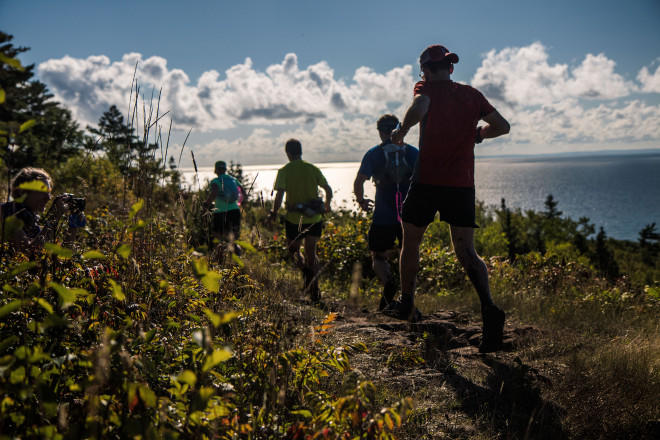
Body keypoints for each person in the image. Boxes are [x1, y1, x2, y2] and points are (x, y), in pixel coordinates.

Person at [388, 44, 511, 352]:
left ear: (425, 70)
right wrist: (478, 134)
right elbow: (502, 126)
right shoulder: (473, 95)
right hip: (462, 184)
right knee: (467, 250)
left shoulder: (425, 87)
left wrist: (401, 130)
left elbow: (419, 108)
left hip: (428, 181)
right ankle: (489, 309)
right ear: (451, 67)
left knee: (411, 241)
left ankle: (406, 302)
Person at [354, 114, 418, 311]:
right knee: (409, 254)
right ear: (400, 129)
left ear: (380, 131)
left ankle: (387, 282)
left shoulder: (373, 153)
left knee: (379, 256)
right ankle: (408, 301)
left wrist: (362, 201)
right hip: (409, 213)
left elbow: (359, 181)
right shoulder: (413, 153)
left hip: (383, 214)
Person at [269, 139, 332, 302]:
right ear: (300, 151)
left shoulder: (285, 170)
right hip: (314, 218)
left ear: (288, 153)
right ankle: (315, 289)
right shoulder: (312, 168)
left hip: (293, 219)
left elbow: (279, 194)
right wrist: (327, 206)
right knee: (312, 253)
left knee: (294, 251)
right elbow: (328, 189)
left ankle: (305, 271)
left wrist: (274, 213)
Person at [1, 167, 85, 255]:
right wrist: (54, 217)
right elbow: (28, 253)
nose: (48, 198)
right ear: (23, 192)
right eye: (42, 192)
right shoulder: (5, 214)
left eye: (48, 192)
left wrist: (74, 225)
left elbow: (61, 257)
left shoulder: (31, 221)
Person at [203, 160, 244, 258]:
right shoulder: (233, 180)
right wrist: (238, 204)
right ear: (225, 169)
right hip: (235, 211)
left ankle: (220, 262)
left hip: (220, 212)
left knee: (219, 239)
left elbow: (214, 192)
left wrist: (206, 204)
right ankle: (239, 261)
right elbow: (244, 194)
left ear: (216, 170)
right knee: (234, 240)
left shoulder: (215, 181)